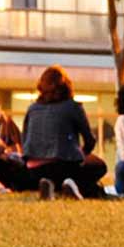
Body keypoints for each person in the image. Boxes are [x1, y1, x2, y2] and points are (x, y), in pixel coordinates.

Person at [11, 66, 107, 199]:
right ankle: (71, 185)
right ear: (66, 85)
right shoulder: (72, 107)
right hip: (64, 166)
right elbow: (89, 141)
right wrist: (82, 153)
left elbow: (25, 140)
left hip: (33, 170)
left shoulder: (32, 109)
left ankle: (51, 186)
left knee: (56, 171)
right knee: (99, 165)